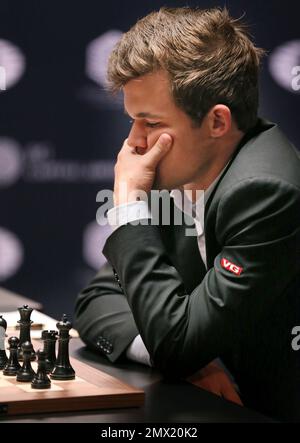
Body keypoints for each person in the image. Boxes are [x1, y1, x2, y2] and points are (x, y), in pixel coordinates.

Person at [74, 7, 300, 421]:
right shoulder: (180, 175)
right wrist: (188, 359)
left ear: (217, 121)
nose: (134, 145)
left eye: (150, 122)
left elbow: (175, 342)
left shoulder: (266, 194)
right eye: (131, 121)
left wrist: (127, 205)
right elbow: (96, 300)